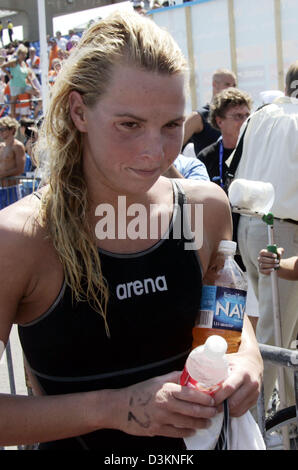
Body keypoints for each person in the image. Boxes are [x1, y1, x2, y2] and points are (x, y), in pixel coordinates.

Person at [0, 11, 262, 450]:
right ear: (79, 111)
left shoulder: (204, 208)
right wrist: (115, 408)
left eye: (171, 125)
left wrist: (248, 362)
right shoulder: (21, 239)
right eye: (129, 124)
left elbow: (231, 316)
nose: (154, 151)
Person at [233, 60, 298, 409]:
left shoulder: (260, 115)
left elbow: (233, 164)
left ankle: (284, 411)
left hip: (252, 226)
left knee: (280, 331)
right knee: (276, 333)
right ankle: (257, 420)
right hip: (284, 230)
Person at [197, 87, 252, 188]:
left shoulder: (256, 152)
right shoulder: (206, 157)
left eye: (247, 115)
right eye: (238, 116)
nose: (246, 121)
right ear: (219, 121)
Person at [183, 68, 237, 155]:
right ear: (214, 84)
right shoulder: (198, 117)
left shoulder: (237, 117)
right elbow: (173, 146)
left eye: (234, 85)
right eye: (227, 84)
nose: (232, 89)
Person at [1, 44, 40, 118]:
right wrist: (8, 74)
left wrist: (33, 86)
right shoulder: (13, 62)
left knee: (38, 93)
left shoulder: (24, 63)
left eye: (25, 54)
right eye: (22, 54)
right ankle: (13, 122)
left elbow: (28, 76)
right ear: (18, 54)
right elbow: (3, 66)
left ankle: (35, 111)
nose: (24, 56)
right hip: (15, 86)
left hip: (23, 86)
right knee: (13, 106)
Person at [0, 116, 25, 209]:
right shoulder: (1, 147)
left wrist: (3, 175)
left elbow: (20, 169)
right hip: (2, 188)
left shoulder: (17, 146)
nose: (0, 132)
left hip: (13, 188)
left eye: (3, 129)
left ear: (12, 130)